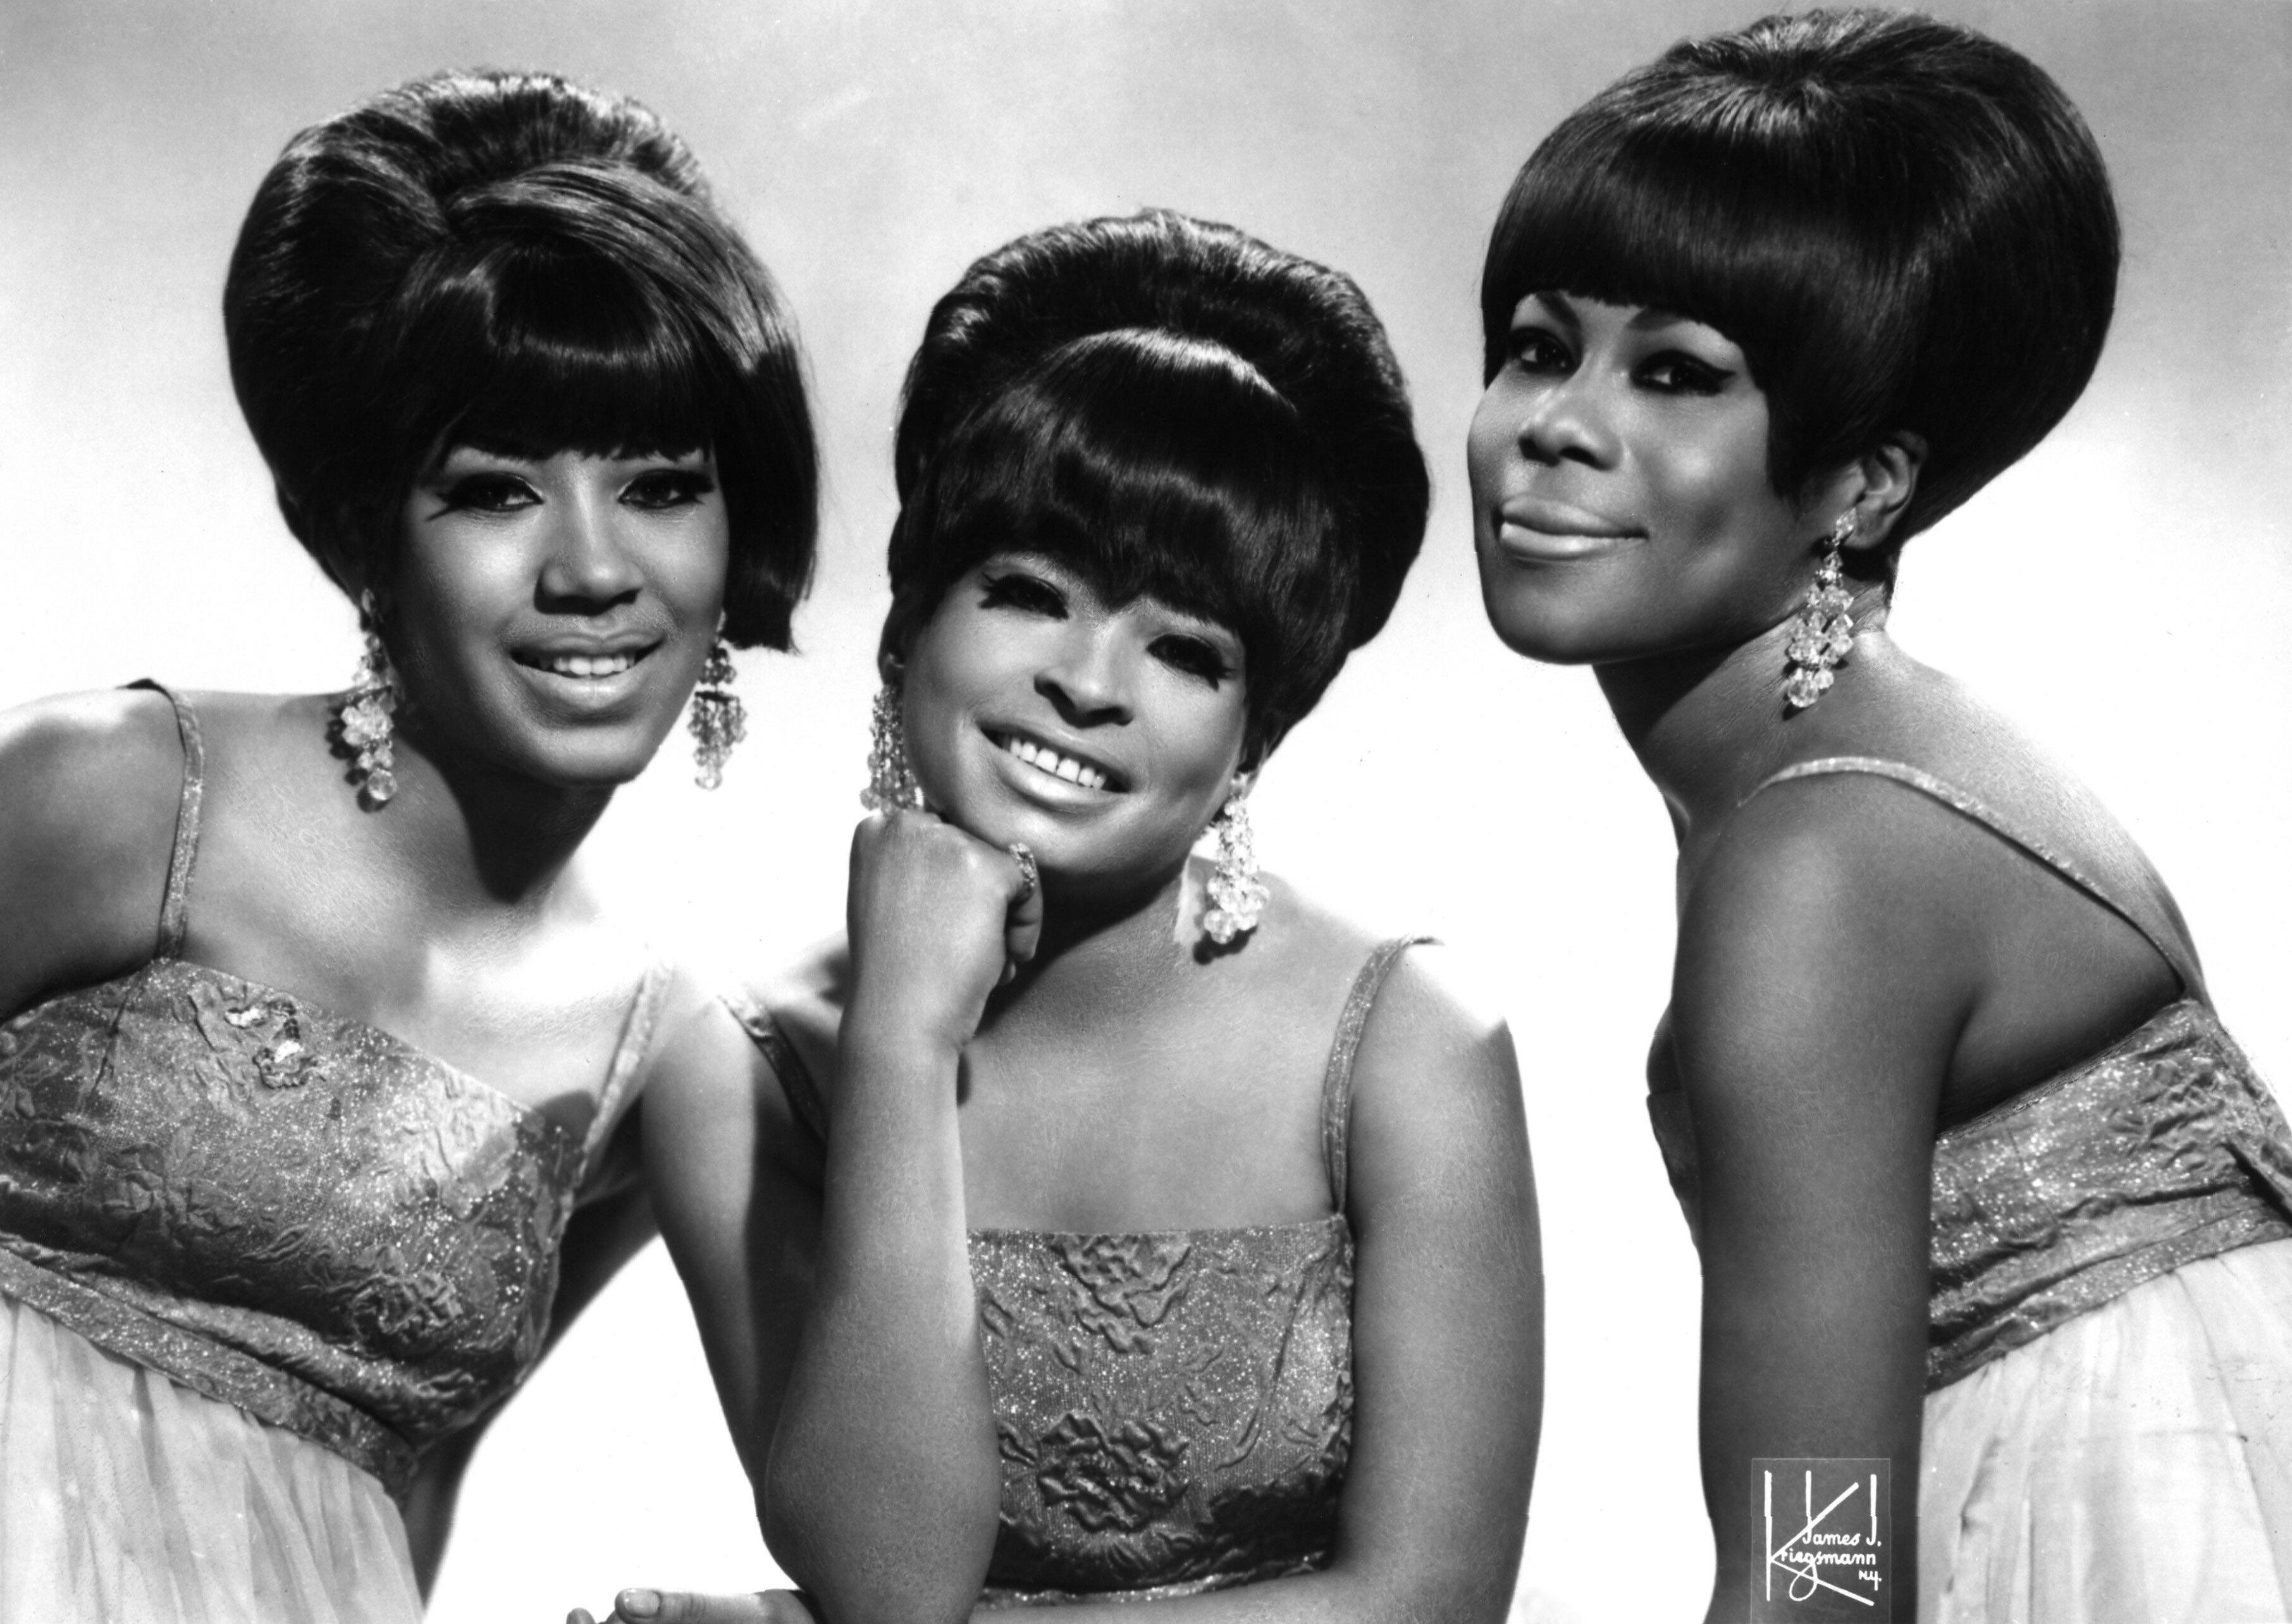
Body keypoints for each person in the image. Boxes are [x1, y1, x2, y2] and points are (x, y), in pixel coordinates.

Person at [591, 209, 1542, 1624]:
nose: (1090, 684)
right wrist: (902, 1040)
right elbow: (889, 1585)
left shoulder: (1411, 1045)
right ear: (906, 631)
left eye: (1185, 651)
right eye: (1032, 593)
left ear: (1257, 740)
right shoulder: (741, 1070)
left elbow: (1433, 1602)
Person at [1468, 9, 2292, 1621]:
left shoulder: (1822, 856)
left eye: (1677, 375)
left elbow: (1822, 1571)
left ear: (1863, 485)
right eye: (1539, 346)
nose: (1558, 423)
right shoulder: (1869, 777)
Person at [0, 68, 816, 1623]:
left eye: (660, 485)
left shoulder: (663, 1048)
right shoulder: (118, 793)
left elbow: (403, 1494)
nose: (593, 569)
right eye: (495, 490)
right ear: (366, 533)